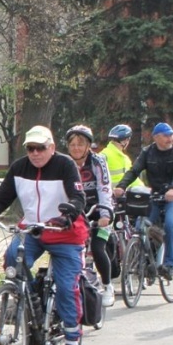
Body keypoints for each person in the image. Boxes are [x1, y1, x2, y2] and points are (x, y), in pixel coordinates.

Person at [0, 125, 87, 345]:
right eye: (30, 148)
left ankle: (71, 339)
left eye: (41, 148)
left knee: (67, 287)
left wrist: (67, 214)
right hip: (33, 230)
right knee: (13, 257)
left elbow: (78, 197)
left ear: (52, 147)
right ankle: (27, 300)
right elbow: (3, 195)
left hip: (64, 233)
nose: (35, 153)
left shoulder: (65, 165)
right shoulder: (19, 167)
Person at [113, 122, 173, 278]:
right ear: (156, 137)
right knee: (141, 226)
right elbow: (134, 171)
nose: (170, 138)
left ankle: (169, 265)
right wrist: (121, 186)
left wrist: (172, 189)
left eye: (171, 135)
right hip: (154, 196)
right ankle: (148, 263)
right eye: (166, 135)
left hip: (171, 198)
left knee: (170, 224)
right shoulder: (147, 152)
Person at [64, 125, 115, 306]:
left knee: (97, 247)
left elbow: (104, 188)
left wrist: (104, 214)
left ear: (88, 146)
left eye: (80, 144)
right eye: (72, 144)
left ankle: (108, 286)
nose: (76, 148)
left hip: (99, 210)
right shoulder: (63, 162)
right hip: (77, 211)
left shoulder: (97, 162)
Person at [101, 124, 143, 189]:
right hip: (110, 196)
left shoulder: (125, 158)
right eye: (128, 139)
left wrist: (142, 188)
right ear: (124, 141)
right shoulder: (104, 156)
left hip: (124, 195)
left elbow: (132, 178)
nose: (128, 142)